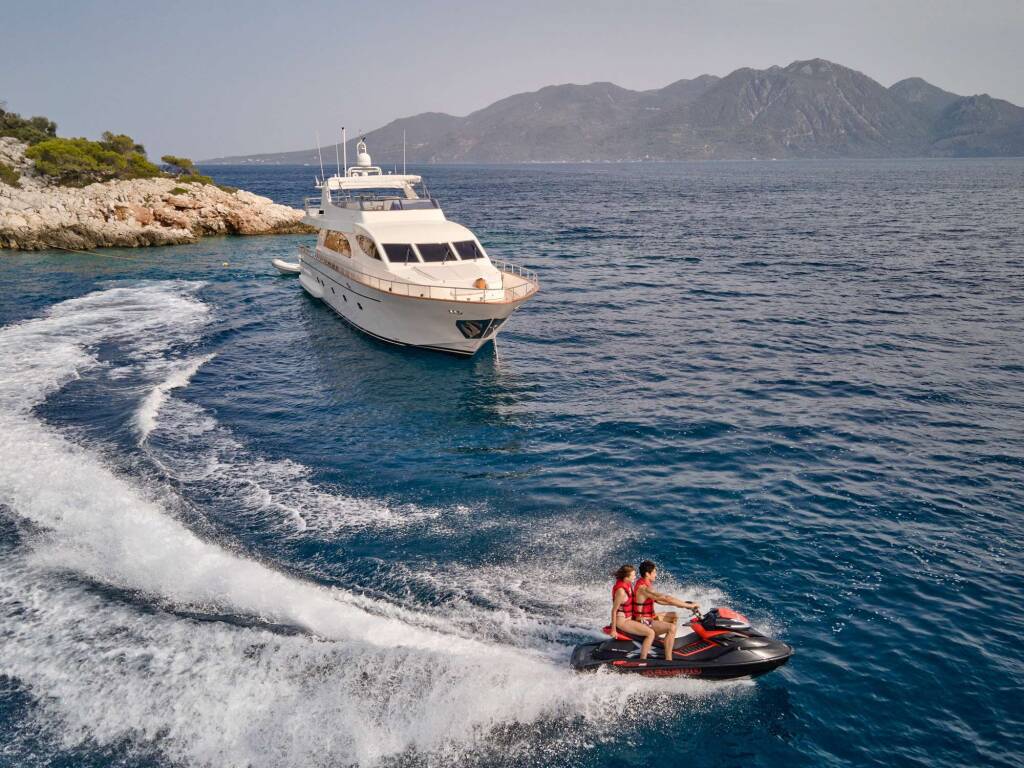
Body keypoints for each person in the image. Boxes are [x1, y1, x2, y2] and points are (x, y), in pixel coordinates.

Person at [633, 560, 700, 662]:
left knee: (674, 615)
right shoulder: (644, 588)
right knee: (671, 628)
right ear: (647, 574)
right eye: (654, 572)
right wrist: (688, 605)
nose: (656, 574)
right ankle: (668, 660)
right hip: (642, 621)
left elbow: (660, 601)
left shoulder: (645, 584)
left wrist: (682, 605)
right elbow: (667, 598)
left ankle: (663, 644)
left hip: (649, 618)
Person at [610, 564, 656, 659]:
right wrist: (613, 630)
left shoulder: (628, 584)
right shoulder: (621, 592)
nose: (635, 577)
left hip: (630, 618)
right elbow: (614, 611)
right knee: (650, 633)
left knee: (656, 624)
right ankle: (643, 660)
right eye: (633, 575)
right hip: (623, 621)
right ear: (626, 577)